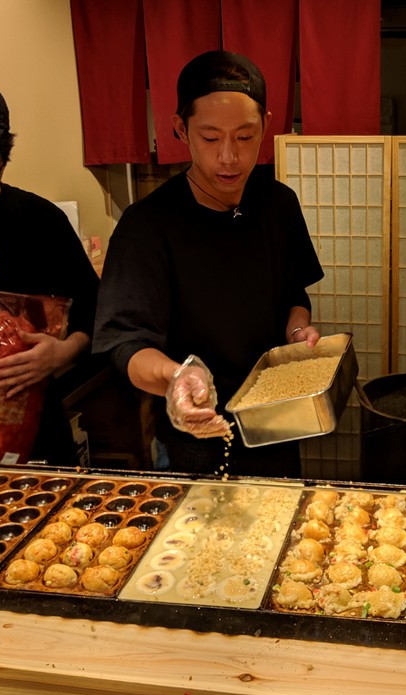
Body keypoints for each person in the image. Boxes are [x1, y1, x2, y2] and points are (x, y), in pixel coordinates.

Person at [93, 51, 324, 478]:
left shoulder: (278, 204)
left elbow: (293, 295)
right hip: (194, 436)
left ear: (266, 125)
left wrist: (297, 331)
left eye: (244, 136)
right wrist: (176, 380)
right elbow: (125, 344)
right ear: (181, 129)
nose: (229, 157)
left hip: (276, 426)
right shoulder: (147, 226)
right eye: (211, 137)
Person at [0, 76, 99, 464]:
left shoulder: (40, 222)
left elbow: (98, 315)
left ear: (3, 160)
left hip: (35, 435)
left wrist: (62, 352)